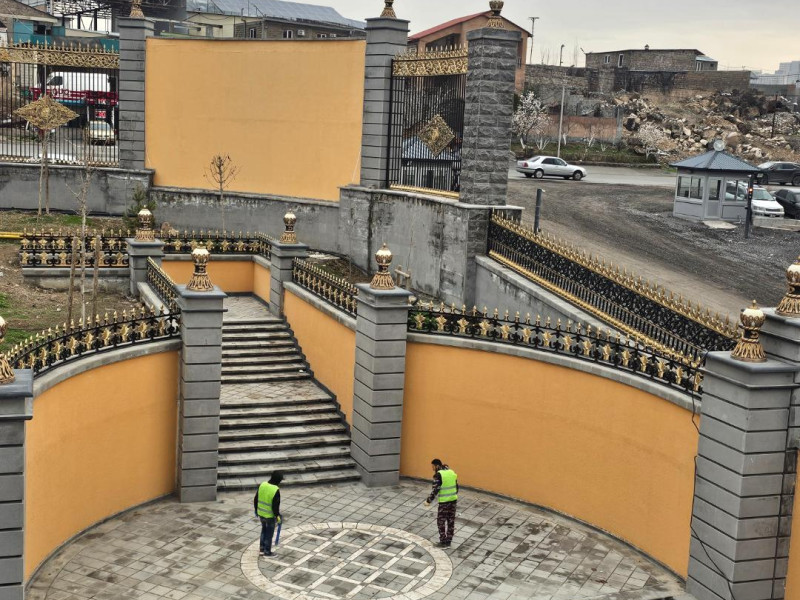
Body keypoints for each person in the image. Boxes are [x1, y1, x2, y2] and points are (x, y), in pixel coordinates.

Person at [425, 459, 458, 548]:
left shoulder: (439, 475)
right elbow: (456, 487)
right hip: (453, 500)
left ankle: (443, 542)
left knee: (441, 521)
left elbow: (435, 489)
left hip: (444, 502)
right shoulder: (451, 472)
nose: (432, 469)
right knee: (451, 521)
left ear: (437, 466)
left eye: (433, 467)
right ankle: (448, 542)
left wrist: (429, 500)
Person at [254, 471, 283, 557]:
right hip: (269, 516)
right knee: (269, 534)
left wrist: (256, 510)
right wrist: (277, 516)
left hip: (261, 513)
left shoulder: (262, 485)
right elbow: (275, 506)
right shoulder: (275, 490)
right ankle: (267, 551)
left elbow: (256, 498)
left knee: (263, 530)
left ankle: (261, 549)